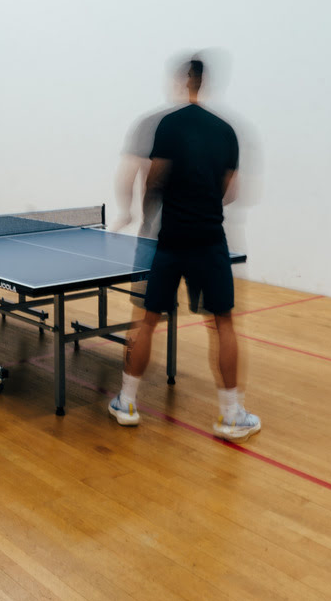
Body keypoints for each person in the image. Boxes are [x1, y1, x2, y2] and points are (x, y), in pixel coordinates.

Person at [108, 56, 261, 441]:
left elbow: (155, 180)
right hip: (209, 240)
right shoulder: (227, 131)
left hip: (168, 240)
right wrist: (204, 202)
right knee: (223, 324)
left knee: (146, 320)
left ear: (183, 80)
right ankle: (232, 416)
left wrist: (147, 215)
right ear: (204, 82)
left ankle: (126, 402)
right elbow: (232, 191)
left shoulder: (167, 125)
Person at [113, 55, 194, 237]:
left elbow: (127, 175)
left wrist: (125, 213)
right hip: (200, 232)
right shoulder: (215, 130)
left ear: (177, 84)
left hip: (156, 232)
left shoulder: (150, 123)